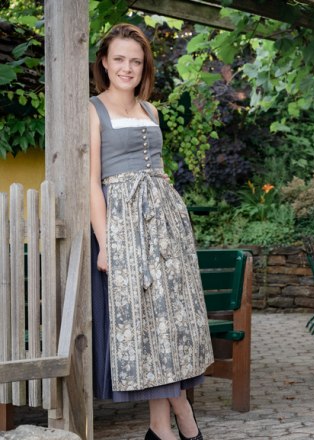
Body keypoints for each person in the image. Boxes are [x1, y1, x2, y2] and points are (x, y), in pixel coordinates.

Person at [89, 23, 213, 440]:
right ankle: (182, 423)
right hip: (123, 226)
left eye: (136, 61)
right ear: (104, 62)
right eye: (119, 59)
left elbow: (156, 171)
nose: (127, 68)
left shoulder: (151, 110)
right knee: (145, 327)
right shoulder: (93, 109)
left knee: (172, 323)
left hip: (165, 225)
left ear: (145, 68)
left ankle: (162, 428)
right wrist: (105, 244)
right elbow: (92, 183)